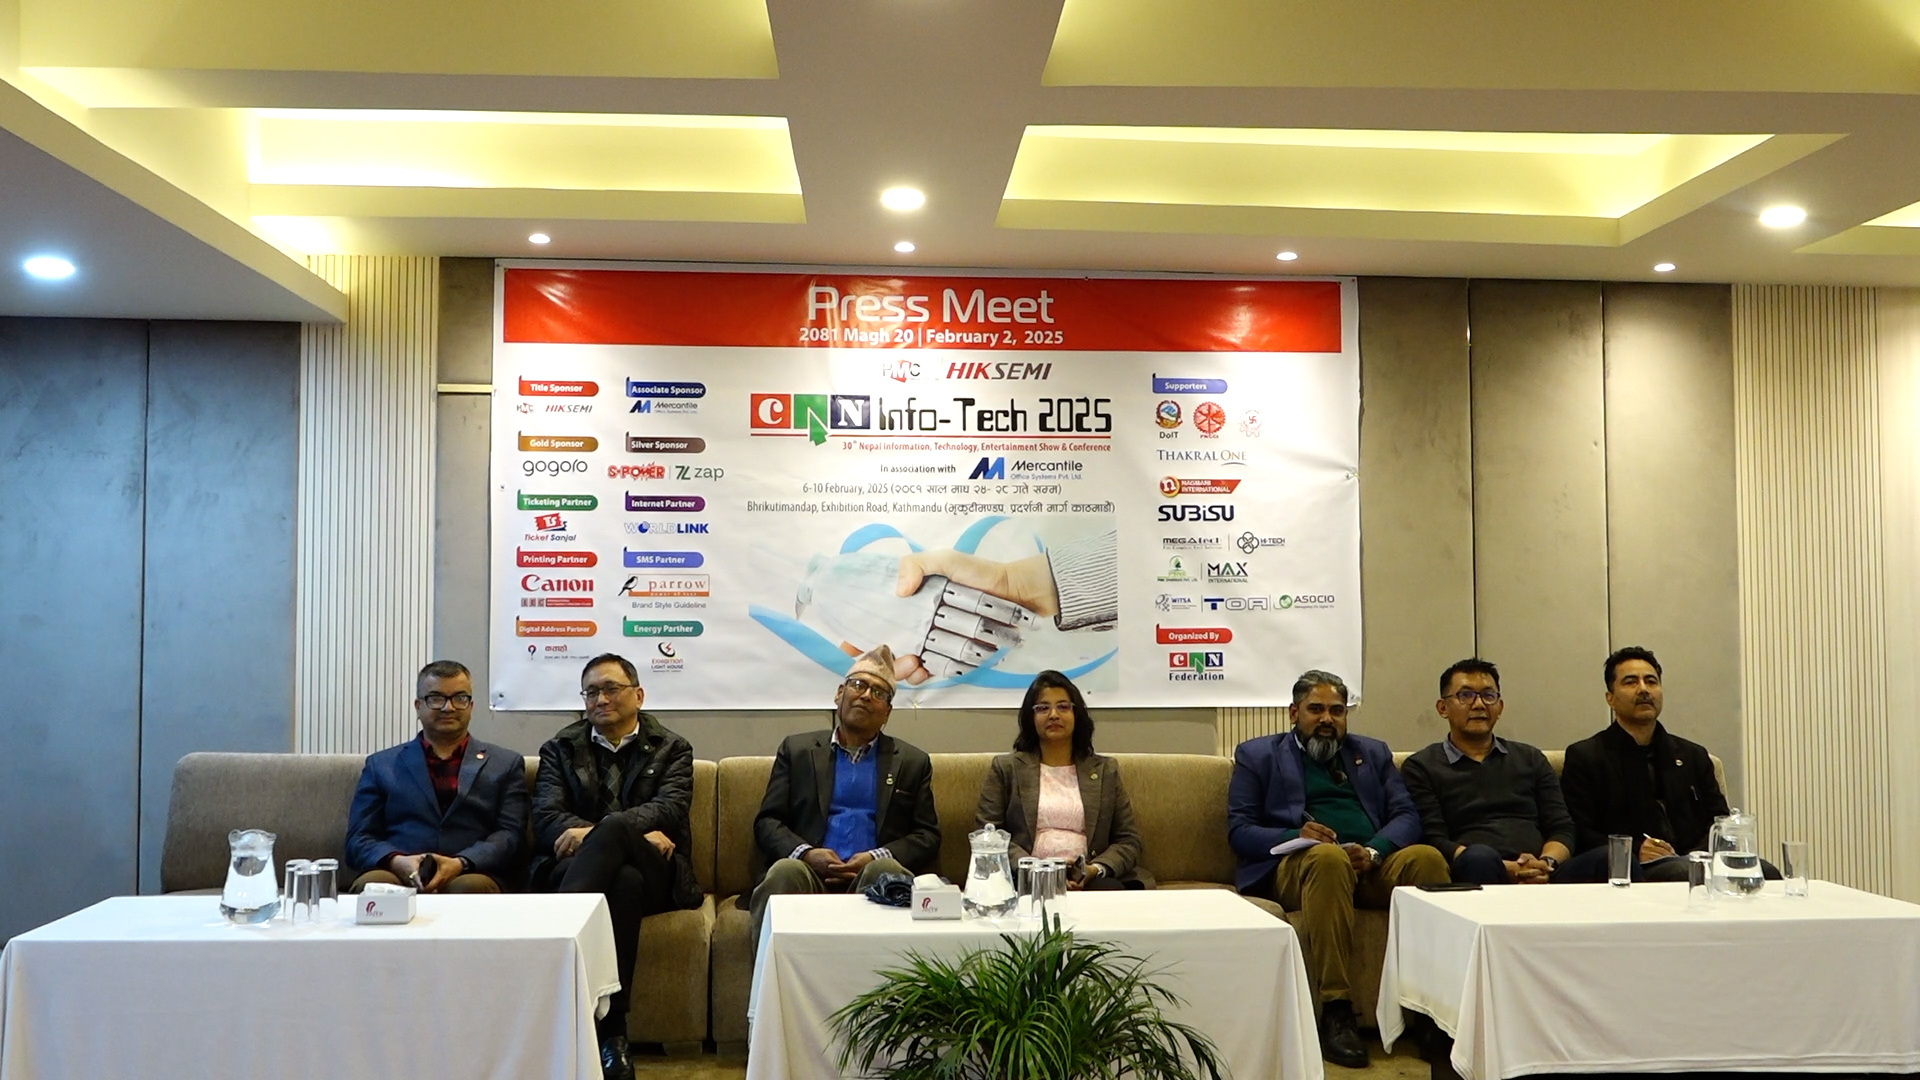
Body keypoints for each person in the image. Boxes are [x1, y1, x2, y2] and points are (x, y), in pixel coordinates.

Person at [1227, 669, 1448, 1070]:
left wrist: (1375, 851)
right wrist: (1296, 834)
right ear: (1294, 713)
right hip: (1301, 867)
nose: (1327, 719)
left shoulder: (1373, 753)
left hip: (1368, 865)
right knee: (1328, 859)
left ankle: (1434, 1011)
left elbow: (1406, 815)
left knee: (1427, 858)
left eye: (1336, 710)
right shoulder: (1258, 755)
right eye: (1316, 709)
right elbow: (1240, 830)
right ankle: (1336, 1009)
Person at [532, 654, 703, 1080]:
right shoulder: (559, 748)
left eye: (611, 688)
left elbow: (670, 808)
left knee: (617, 837)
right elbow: (547, 817)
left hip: (658, 869)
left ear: (638, 695)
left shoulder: (673, 748)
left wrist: (604, 831)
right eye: (591, 691)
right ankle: (613, 1035)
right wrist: (612, 835)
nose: (600, 699)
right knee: (622, 883)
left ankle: (553, 953)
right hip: (576, 867)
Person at [746, 644, 940, 951]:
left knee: (886, 871)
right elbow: (768, 822)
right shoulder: (797, 751)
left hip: (874, 881)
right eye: (858, 685)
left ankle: (885, 983)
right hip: (808, 874)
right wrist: (807, 854)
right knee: (785, 871)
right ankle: (770, 980)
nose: (866, 696)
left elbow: (927, 835)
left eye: (879, 693)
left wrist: (875, 857)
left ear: (888, 712)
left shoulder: (912, 762)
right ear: (839, 694)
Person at [345, 660, 527, 893]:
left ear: (471, 706)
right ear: (418, 706)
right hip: (399, 870)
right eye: (436, 698)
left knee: (469, 887)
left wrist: (461, 863)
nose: (448, 708)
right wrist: (395, 860)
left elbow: (511, 836)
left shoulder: (505, 764)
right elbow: (359, 838)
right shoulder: (381, 765)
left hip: (471, 871)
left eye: (459, 698)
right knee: (374, 886)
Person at [1559, 646, 1739, 882]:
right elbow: (1579, 830)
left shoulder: (1692, 755)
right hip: (1633, 866)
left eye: (1651, 681)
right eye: (1631, 682)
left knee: (1766, 872)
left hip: (1695, 860)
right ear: (1610, 698)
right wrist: (1635, 850)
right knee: (1680, 873)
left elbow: (1720, 822)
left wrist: (1697, 856)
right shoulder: (1587, 756)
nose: (1644, 689)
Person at [1401, 658, 1577, 886]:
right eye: (1466, 695)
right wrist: (1505, 868)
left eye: (1488, 695)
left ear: (1500, 707)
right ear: (1443, 708)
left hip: (1542, 869)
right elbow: (1434, 837)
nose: (1479, 705)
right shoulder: (1421, 766)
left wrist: (1546, 863)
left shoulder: (1530, 758)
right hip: (1473, 865)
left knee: (1606, 859)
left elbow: (1561, 827)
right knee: (1479, 857)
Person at [974, 669, 1148, 890]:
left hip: (1092, 879)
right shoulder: (1007, 769)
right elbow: (987, 834)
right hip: (1026, 878)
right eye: (1043, 708)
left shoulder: (1106, 771)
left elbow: (1128, 841)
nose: (1053, 715)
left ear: (1077, 715)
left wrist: (1094, 869)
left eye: (1063, 707)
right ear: (1031, 718)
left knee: (1110, 890)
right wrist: (1036, 869)